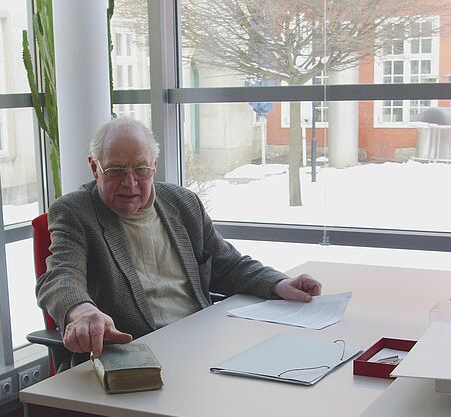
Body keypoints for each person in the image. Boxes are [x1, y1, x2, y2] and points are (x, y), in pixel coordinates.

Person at [36, 117, 322, 368]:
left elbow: (227, 264)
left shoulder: (182, 202)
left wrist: (279, 284)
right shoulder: (76, 211)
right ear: (95, 168)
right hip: (136, 356)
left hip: (202, 346)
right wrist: (82, 310)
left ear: (155, 166)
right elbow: (61, 276)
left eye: (141, 169)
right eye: (116, 171)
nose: (130, 183)